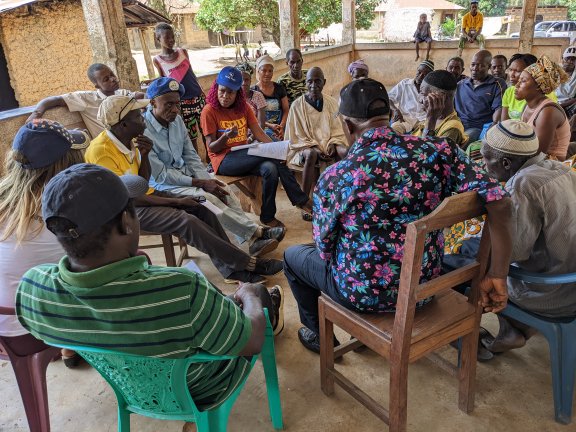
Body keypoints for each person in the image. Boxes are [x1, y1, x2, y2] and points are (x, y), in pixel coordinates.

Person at [15, 163, 285, 413]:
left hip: (127, 387)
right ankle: (267, 307)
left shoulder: (31, 290)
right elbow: (252, 343)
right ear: (126, 222)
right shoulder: (182, 289)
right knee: (255, 297)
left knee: (217, 306)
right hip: (200, 389)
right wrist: (249, 295)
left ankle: (233, 306)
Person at [283, 78, 513, 353]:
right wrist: (498, 274)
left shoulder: (337, 177)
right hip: (425, 287)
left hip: (361, 295)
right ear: (390, 116)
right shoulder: (440, 152)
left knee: (293, 256)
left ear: (347, 126)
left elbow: (324, 248)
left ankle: (322, 338)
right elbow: (500, 201)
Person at [85, 94, 283, 283]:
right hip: (125, 211)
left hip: (144, 196)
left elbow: (141, 183)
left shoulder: (131, 139)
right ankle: (245, 263)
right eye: (138, 115)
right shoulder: (101, 151)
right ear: (124, 124)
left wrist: (144, 155)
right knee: (186, 221)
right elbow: (131, 198)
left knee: (202, 205)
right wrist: (176, 201)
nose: (142, 118)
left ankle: (231, 269)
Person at [143, 77, 285, 257]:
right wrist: (201, 184)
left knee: (223, 189)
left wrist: (206, 180)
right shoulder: (143, 130)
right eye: (168, 105)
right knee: (207, 200)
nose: (175, 110)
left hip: (189, 177)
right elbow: (162, 176)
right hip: (166, 187)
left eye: (177, 104)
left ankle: (253, 240)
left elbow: (191, 156)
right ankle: (257, 233)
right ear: (153, 102)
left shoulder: (177, 120)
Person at [478, 120, 576, 353]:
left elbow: (513, 252)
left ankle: (506, 329)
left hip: (555, 294)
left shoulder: (523, 183)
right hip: (570, 281)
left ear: (505, 162)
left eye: (485, 159)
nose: (482, 165)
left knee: (469, 263)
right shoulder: (560, 168)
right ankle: (517, 328)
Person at [0, 119, 88, 367]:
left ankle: (68, 349)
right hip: (33, 330)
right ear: (64, 163)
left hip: (5, 326)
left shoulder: (5, 197)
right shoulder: (61, 207)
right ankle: (73, 346)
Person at [201, 67, 312, 228]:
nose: (225, 96)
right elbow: (212, 148)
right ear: (216, 88)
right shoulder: (209, 111)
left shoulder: (244, 108)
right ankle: (301, 200)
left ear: (238, 93)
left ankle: (267, 216)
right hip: (223, 161)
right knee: (273, 158)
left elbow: (259, 133)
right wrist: (225, 137)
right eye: (222, 91)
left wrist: (277, 148)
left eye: (230, 93)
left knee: (271, 168)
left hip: (244, 156)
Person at [285, 67, 348, 211]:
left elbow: (337, 129)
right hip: (304, 146)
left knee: (344, 151)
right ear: (305, 83)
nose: (314, 85)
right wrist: (314, 147)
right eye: (310, 82)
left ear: (324, 82)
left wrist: (333, 143)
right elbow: (295, 135)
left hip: (329, 143)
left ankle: (340, 194)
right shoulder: (297, 105)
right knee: (311, 155)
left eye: (318, 81)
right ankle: (304, 200)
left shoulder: (331, 102)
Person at [27, 63, 144, 139]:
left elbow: (139, 96)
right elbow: (54, 100)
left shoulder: (122, 94)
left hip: (130, 141)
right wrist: (36, 113)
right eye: (106, 79)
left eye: (112, 74)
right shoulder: (87, 99)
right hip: (108, 146)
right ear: (96, 85)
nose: (113, 79)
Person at [153, 23, 205, 153]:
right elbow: (163, 80)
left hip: (198, 97)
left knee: (206, 131)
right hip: (182, 102)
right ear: (158, 39)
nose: (171, 40)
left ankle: (212, 160)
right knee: (191, 137)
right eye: (167, 38)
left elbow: (191, 72)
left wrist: (201, 90)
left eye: (172, 37)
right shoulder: (158, 60)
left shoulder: (183, 52)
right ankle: (198, 164)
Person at [518, 55, 570, 160]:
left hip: (551, 167)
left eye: (523, 81)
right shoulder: (527, 106)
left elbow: (537, 156)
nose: (517, 85)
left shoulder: (548, 111)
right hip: (534, 161)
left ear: (538, 85)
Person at [455, 50, 506, 144]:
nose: (475, 68)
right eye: (473, 64)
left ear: (489, 67)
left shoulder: (497, 84)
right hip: (456, 125)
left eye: (481, 65)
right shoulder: (461, 84)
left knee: (462, 142)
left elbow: (499, 108)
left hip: (478, 127)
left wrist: (493, 126)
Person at [410, 70, 468, 148]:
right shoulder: (435, 118)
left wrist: (431, 120)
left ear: (442, 97)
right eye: (420, 92)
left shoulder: (453, 128)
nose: (420, 99)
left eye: (423, 94)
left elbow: (428, 156)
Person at [501, 53, 557, 122]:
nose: (511, 75)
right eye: (510, 70)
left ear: (533, 73)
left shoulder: (546, 96)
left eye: (518, 71)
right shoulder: (509, 91)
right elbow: (504, 122)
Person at [388, 60, 434, 134]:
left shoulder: (432, 89)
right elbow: (389, 98)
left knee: (426, 135)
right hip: (404, 119)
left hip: (423, 121)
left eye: (425, 75)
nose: (420, 76)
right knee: (393, 132)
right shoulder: (404, 84)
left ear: (429, 77)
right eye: (419, 72)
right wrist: (395, 110)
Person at [253, 55, 289, 140]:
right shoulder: (253, 91)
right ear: (258, 71)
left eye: (270, 71)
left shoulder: (279, 88)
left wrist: (281, 127)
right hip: (261, 128)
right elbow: (252, 116)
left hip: (279, 127)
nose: (267, 74)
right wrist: (269, 126)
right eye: (264, 70)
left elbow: (286, 109)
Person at [237, 63, 267, 130]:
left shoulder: (258, 96)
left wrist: (250, 139)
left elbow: (261, 125)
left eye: (246, 80)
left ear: (250, 81)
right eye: (241, 80)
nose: (244, 83)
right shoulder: (233, 97)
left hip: (255, 134)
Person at [556, 46, 576, 119]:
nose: (570, 61)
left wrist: (561, 106)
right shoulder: (554, 71)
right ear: (562, 59)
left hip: (570, 104)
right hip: (553, 102)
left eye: (573, 59)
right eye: (567, 58)